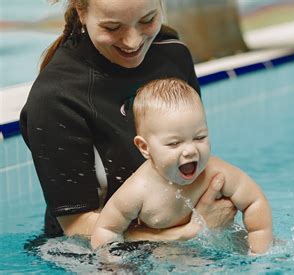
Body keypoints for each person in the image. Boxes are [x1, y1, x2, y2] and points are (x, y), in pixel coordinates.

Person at [20, 0, 236, 240]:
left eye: (147, 20)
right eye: (112, 28)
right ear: (81, 12)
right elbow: (75, 227)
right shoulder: (56, 97)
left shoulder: (174, 56)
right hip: (90, 254)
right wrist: (189, 232)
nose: (133, 42)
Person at [91, 78, 273, 254]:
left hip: (223, 248)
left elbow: (254, 202)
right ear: (145, 148)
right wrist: (114, 265)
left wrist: (259, 252)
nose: (190, 151)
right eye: (174, 143)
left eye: (200, 137)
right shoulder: (138, 190)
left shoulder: (216, 172)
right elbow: (106, 230)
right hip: (169, 256)